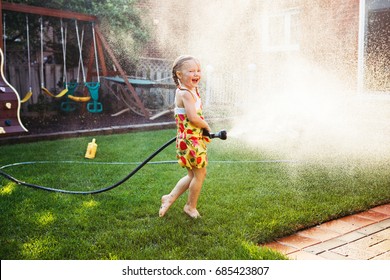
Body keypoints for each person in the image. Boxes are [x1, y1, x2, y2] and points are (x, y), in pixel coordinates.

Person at [159, 55, 212, 218]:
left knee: (193, 175)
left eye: (198, 70)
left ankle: (169, 197)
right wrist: (206, 126)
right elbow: (193, 118)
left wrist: (202, 133)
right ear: (179, 75)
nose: (196, 74)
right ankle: (190, 206)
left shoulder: (190, 90)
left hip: (190, 140)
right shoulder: (185, 94)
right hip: (190, 141)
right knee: (199, 174)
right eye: (191, 71)